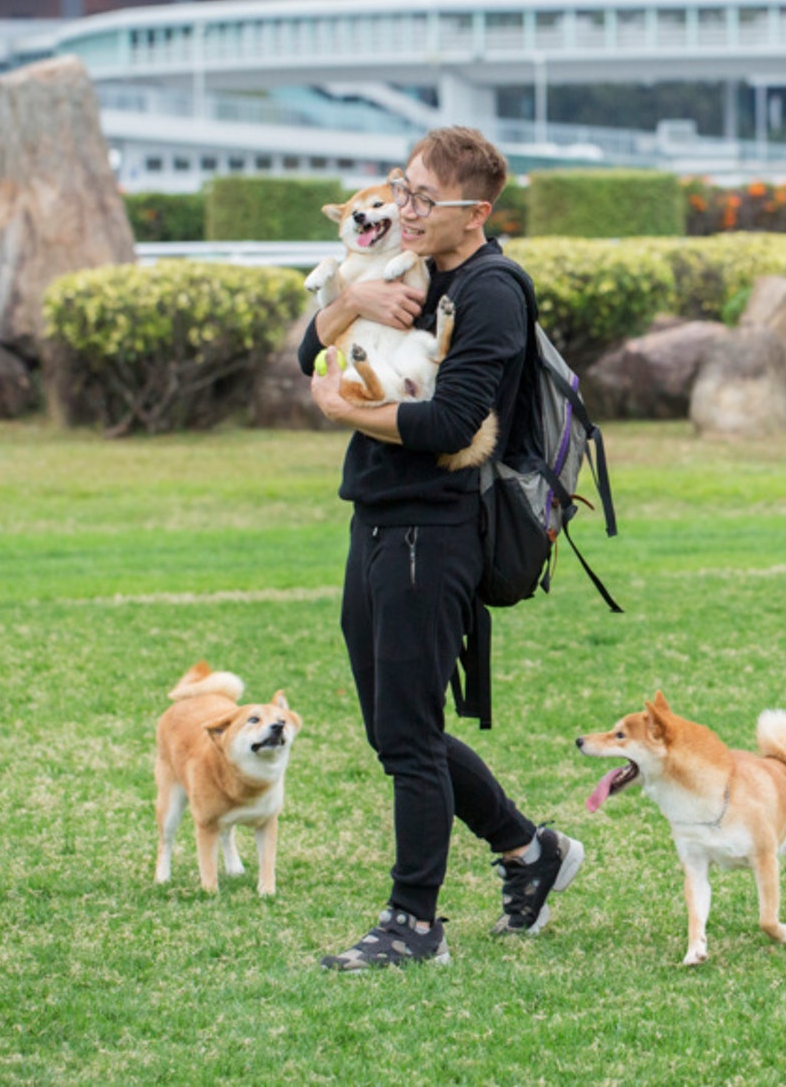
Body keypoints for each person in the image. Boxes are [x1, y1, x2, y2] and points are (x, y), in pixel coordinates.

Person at [302, 126, 582, 970]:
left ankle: (413, 924)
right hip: (378, 515)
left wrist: (344, 412)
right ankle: (532, 853)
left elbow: (454, 424)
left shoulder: (492, 288)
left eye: (425, 198)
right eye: (404, 188)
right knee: (395, 730)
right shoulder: (408, 267)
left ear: (477, 211)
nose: (406, 209)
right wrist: (351, 306)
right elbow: (304, 349)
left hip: (437, 525)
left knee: (411, 736)